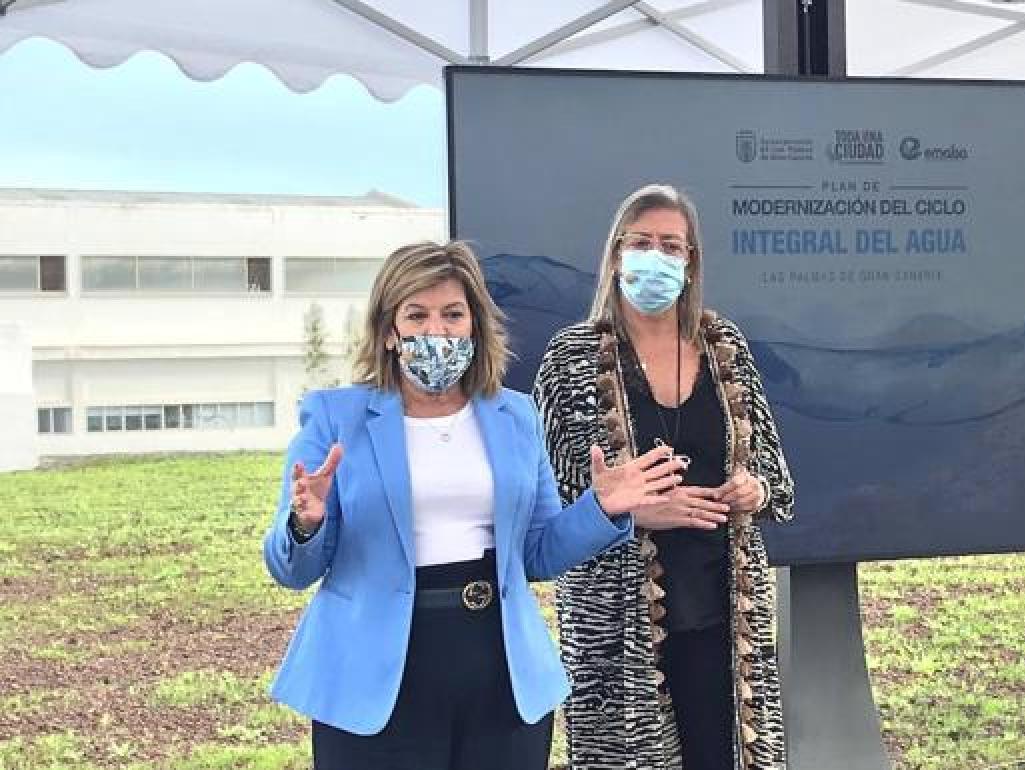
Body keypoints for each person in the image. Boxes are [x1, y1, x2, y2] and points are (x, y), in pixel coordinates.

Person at [262, 240, 684, 770]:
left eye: (452, 314)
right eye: (416, 315)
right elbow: (290, 569)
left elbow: (536, 552)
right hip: (376, 679)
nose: (435, 331)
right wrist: (306, 524)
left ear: (474, 325)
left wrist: (600, 508)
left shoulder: (514, 416)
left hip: (498, 673)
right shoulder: (334, 418)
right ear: (390, 331)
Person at [534, 184, 795, 770]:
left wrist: (753, 491)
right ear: (617, 254)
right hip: (617, 617)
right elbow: (549, 499)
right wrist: (628, 511)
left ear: (690, 258)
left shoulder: (725, 343)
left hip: (723, 605)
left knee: (724, 755)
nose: (656, 254)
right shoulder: (570, 357)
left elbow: (775, 476)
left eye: (670, 244)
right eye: (642, 242)